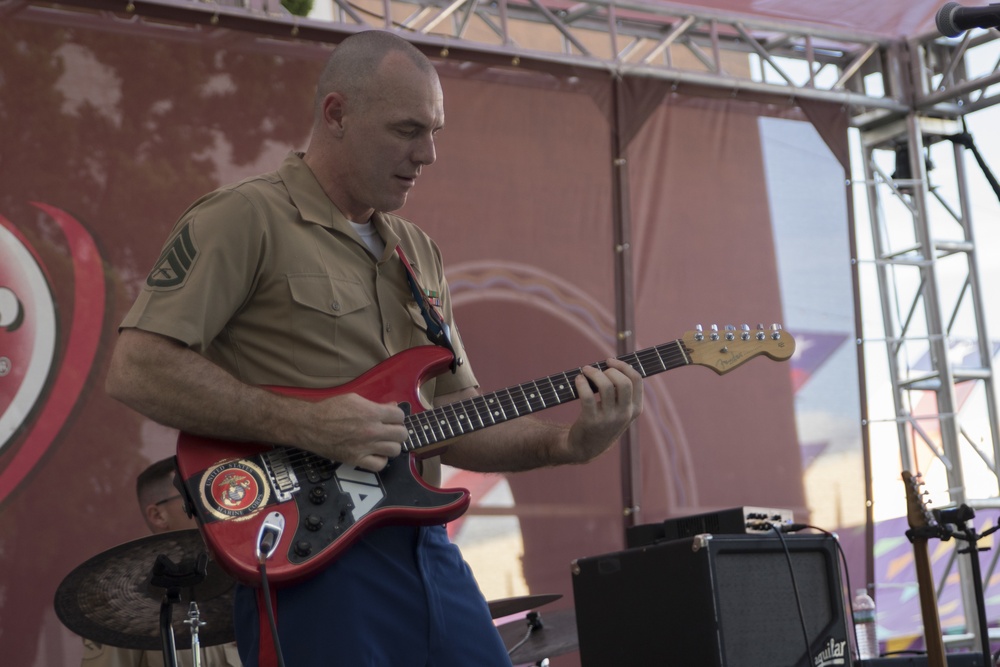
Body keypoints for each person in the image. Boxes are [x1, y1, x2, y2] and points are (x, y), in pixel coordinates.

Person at [104, 29, 643, 667]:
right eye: (408, 130)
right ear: (336, 114)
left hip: (424, 546)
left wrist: (568, 444)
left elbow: (455, 417)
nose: (429, 154)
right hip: (307, 555)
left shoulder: (418, 252)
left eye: (435, 130)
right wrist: (305, 423)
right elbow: (136, 368)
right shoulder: (243, 217)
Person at [81, 458, 242, 667]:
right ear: (158, 515)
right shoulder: (120, 600)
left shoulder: (248, 580)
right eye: (196, 496)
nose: (214, 505)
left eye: (214, 493)